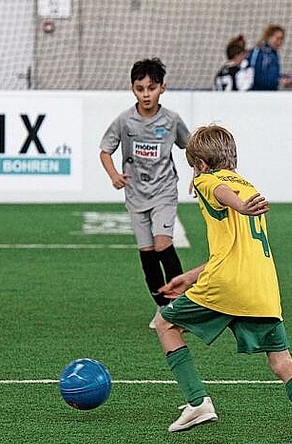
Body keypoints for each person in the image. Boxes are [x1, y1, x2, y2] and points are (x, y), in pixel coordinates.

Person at [153, 124, 292, 444]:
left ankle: (198, 402)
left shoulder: (208, 180)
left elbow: (220, 192)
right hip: (261, 289)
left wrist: (236, 204)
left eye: (194, 165)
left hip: (226, 285)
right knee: (282, 362)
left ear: (202, 164)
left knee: (164, 323)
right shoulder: (249, 186)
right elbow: (234, 249)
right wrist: (191, 276)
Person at [99, 58, 190, 329]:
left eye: (151, 88)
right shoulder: (125, 121)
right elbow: (105, 150)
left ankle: (181, 307)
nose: (146, 94)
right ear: (132, 89)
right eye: (140, 89)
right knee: (147, 253)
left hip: (164, 190)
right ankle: (163, 308)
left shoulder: (172, 120)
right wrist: (114, 175)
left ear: (162, 88)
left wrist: (198, 173)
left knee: (163, 244)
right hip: (136, 194)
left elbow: (190, 147)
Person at [248, 24, 292, 91]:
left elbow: (271, 75)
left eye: (282, 39)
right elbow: (254, 75)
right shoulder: (258, 52)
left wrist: (284, 78)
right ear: (269, 37)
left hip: (271, 93)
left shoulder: (273, 54)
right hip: (258, 94)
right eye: (277, 38)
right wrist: (278, 81)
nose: (279, 42)